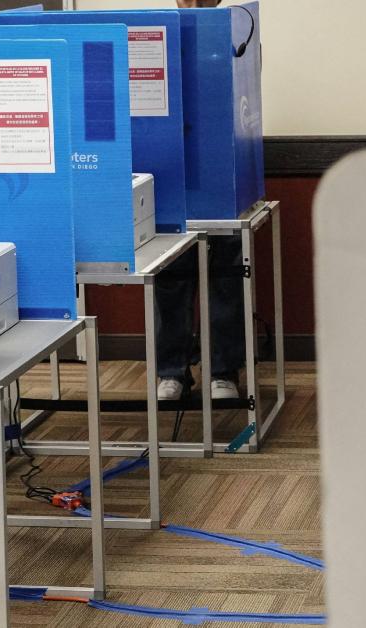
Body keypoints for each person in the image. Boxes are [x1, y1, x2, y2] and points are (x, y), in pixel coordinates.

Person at [155, 0, 242, 401]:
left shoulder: (232, 34)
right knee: (171, 279)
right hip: (172, 172)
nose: (193, 5)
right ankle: (172, 370)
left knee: (225, 277)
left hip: (220, 174)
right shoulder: (156, 34)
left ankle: (222, 371)